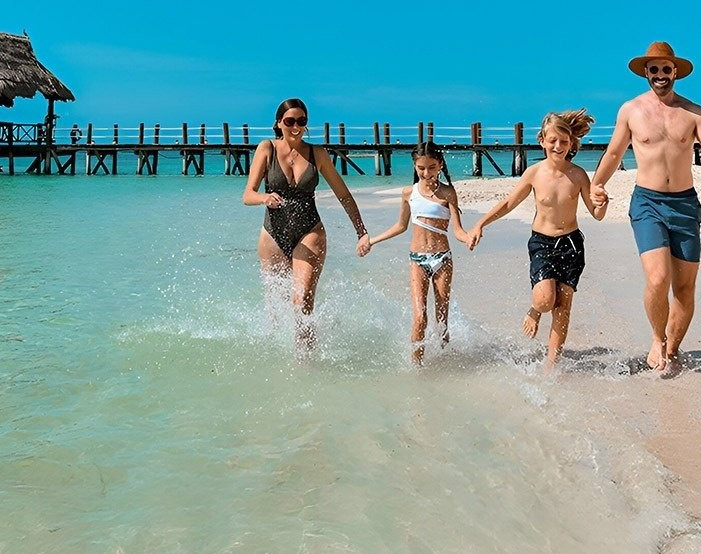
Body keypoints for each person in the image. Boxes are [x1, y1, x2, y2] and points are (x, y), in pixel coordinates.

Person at [590, 41, 701, 374]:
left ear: (675, 72)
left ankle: (672, 347)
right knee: (657, 279)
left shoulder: (693, 113)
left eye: (666, 69)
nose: (660, 75)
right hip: (647, 203)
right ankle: (657, 338)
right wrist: (597, 184)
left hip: (684, 205)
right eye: (654, 69)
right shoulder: (631, 111)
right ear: (646, 72)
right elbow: (613, 153)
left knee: (684, 288)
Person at [467, 109, 607, 372]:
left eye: (564, 142)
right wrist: (480, 223)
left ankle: (551, 366)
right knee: (545, 300)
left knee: (562, 309)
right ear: (542, 140)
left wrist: (603, 202)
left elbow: (596, 214)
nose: (558, 146)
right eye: (552, 140)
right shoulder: (534, 173)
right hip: (542, 243)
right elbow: (509, 203)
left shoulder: (577, 175)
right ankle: (534, 311)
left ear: (572, 144)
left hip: (572, 245)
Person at [242, 98, 371, 348]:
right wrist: (264, 198)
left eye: (302, 121)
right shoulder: (266, 149)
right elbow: (248, 195)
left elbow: (343, 194)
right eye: (289, 121)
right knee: (275, 309)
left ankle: (306, 362)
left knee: (301, 302)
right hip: (272, 235)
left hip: (309, 231)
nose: (296, 127)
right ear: (279, 124)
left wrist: (361, 232)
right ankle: (278, 367)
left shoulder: (317, 153)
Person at [366, 142, 471, 365]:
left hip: (443, 259)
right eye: (421, 168)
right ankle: (417, 369)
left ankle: (446, 362)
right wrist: (373, 240)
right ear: (415, 166)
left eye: (432, 167)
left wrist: (469, 237)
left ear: (440, 165)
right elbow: (400, 226)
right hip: (417, 260)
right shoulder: (408, 193)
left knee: (441, 319)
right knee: (420, 318)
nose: (426, 173)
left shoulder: (448, 193)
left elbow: (458, 231)